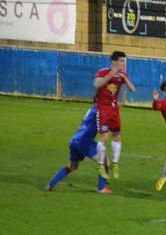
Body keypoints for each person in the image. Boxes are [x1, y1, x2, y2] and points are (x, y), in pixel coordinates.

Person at [46, 104, 111, 194]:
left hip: (75, 139)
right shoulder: (100, 109)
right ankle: (101, 189)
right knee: (105, 162)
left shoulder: (91, 110)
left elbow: (84, 125)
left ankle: (50, 185)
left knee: (72, 167)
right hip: (85, 141)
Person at [93, 51, 135, 180]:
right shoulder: (103, 72)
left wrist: (125, 78)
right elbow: (97, 84)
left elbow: (132, 89)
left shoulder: (122, 75)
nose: (123, 64)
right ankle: (100, 164)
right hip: (103, 109)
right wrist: (111, 74)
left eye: (124, 61)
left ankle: (115, 163)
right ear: (113, 61)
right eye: (121, 61)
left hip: (114, 110)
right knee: (104, 137)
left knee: (117, 136)